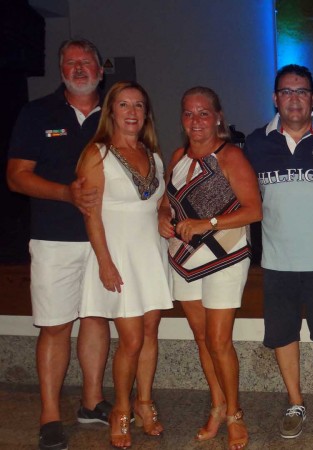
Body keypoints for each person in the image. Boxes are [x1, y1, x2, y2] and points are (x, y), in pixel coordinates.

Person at [6, 38, 112, 450]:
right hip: (54, 239)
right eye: (70, 62)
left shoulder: (117, 111)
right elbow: (17, 177)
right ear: (61, 70)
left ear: (100, 69)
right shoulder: (37, 113)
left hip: (107, 240)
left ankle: (92, 403)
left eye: (86, 61)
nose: (79, 68)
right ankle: (49, 415)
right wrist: (66, 193)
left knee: (97, 319)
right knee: (54, 326)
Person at [244, 64, 313, 440]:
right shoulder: (256, 143)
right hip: (278, 261)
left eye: (301, 91)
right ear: (275, 98)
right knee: (283, 335)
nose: (294, 98)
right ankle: (294, 402)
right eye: (286, 92)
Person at [158, 87, 262, 450]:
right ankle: (217, 406)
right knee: (202, 338)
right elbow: (166, 201)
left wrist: (208, 223)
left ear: (218, 117)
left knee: (219, 341)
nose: (196, 120)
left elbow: (254, 210)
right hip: (184, 258)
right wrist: (162, 216)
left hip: (225, 256)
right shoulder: (178, 156)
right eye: (189, 113)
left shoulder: (230, 155)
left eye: (204, 113)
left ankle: (235, 413)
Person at [75, 81, 173, 448]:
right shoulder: (96, 154)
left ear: (146, 113)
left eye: (138, 105)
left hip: (151, 255)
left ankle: (144, 403)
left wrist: (163, 214)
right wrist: (104, 262)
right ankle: (120, 409)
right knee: (130, 340)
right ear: (111, 112)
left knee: (150, 333)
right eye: (124, 105)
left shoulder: (154, 155)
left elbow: (160, 201)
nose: (132, 112)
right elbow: (91, 215)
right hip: (117, 255)